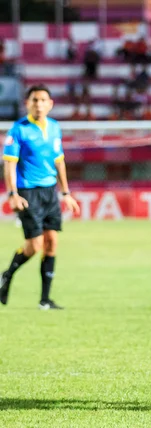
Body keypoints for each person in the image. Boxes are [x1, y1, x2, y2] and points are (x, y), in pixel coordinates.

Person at [1, 84, 80, 309]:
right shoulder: (18, 129)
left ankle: (45, 300)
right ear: (27, 103)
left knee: (52, 243)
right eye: (34, 100)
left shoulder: (55, 127)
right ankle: (7, 274)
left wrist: (65, 193)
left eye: (43, 100)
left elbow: (59, 161)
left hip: (50, 191)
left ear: (50, 104)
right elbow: (9, 165)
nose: (38, 104)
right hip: (28, 192)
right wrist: (13, 194)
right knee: (34, 246)